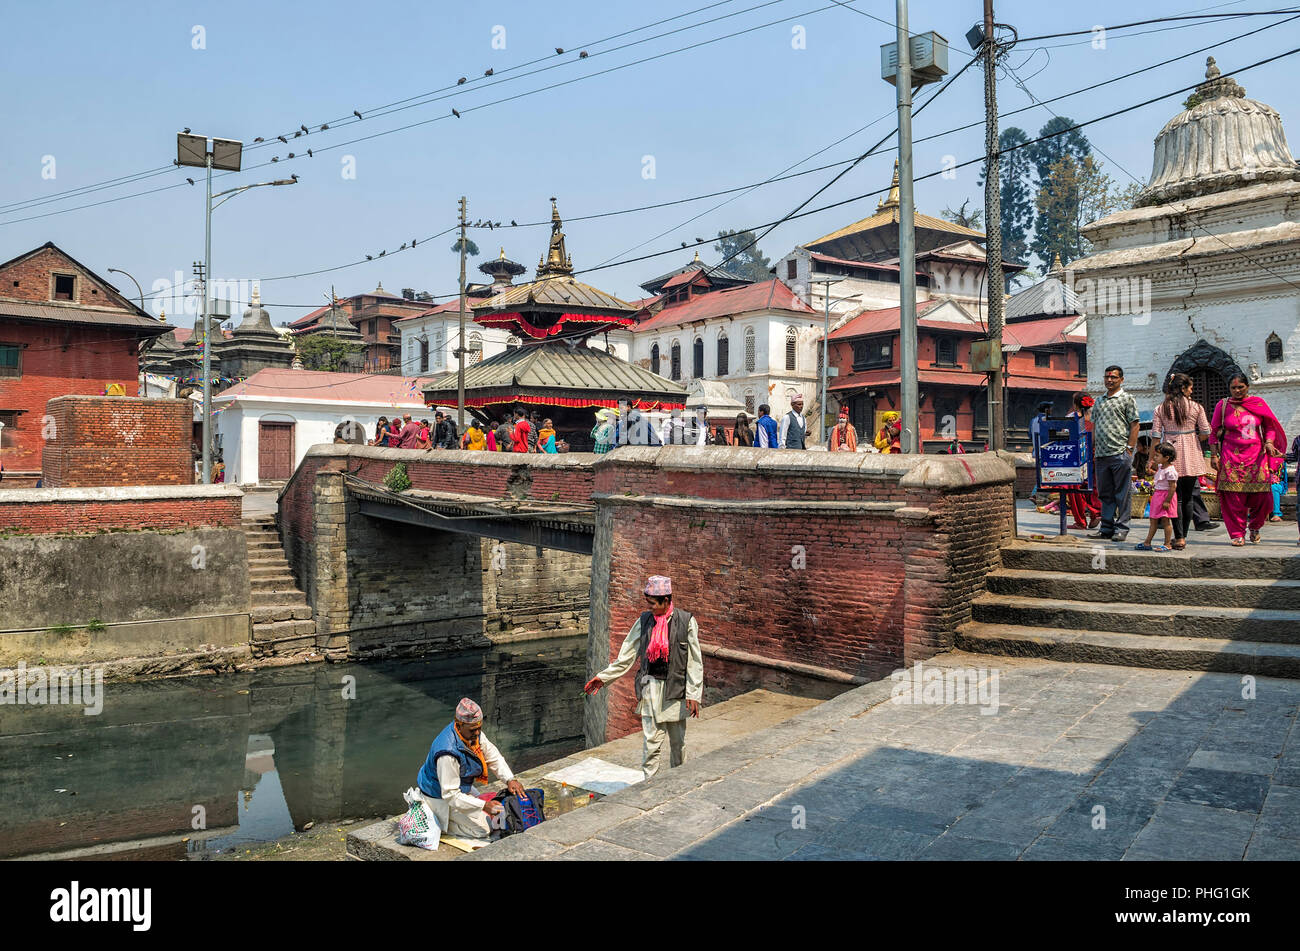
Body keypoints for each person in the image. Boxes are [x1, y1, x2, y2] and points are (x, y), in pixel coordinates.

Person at [584, 575, 703, 780]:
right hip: (650, 688)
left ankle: (679, 782)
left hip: (675, 689)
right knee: (651, 745)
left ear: (666, 601)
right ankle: (650, 786)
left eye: (654, 604)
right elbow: (626, 656)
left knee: (677, 744)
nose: (651, 608)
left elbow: (694, 661)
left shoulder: (686, 621)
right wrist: (603, 678)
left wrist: (694, 694)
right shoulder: (645, 621)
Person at [413, 698, 527, 840]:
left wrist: (510, 779)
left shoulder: (472, 734)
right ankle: (441, 824)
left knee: (490, 810)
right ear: (459, 725)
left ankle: (461, 814)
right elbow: (451, 795)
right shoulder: (447, 753)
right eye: (473, 730)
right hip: (438, 796)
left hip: (460, 785)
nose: (477, 733)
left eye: (479, 728)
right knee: (484, 830)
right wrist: (484, 806)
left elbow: (492, 755)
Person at [1210, 373, 1286, 546]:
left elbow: (1269, 427)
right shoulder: (1223, 405)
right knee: (1233, 498)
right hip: (1231, 457)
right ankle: (1237, 533)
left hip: (1257, 457)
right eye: (1233, 388)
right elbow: (1214, 432)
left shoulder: (1258, 403)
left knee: (1263, 498)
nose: (1237, 390)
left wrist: (1269, 442)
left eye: (1240, 387)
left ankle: (1255, 527)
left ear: (1248, 387)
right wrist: (1214, 455)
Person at [1153, 372, 1211, 549]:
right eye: (1190, 387)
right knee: (1188, 498)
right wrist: (1192, 439)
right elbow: (1206, 432)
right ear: (1183, 388)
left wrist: (1152, 459)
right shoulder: (1196, 407)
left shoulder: (1161, 408)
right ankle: (1182, 537)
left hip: (1170, 450)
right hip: (1191, 452)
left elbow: (1155, 436)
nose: (1192, 391)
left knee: (1175, 498)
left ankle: (1178, 536)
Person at [1088, 365, 1140, 543]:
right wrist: (1091, 448)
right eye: (1107, 377)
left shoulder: (1127, 399)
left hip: (1120, 453)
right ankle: (1106, 527)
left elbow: (1135, 425)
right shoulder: (1099, 401)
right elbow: (1094, 427)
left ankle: (1122, 528)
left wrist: (1129, 449)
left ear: (1121, 380)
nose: (1110, 380)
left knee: (1122, 494)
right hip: (1101, 455)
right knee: (1105, 493)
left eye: (1114, 378)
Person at [1065, 393, 1101, 531]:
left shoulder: (1072, 418)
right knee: (1092, 488)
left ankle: (1080, 520)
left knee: (1073, 488)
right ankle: (1095, 512)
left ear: (1075, 404)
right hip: (1094, 455)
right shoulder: (1095, 418)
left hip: (1077, 457)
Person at [1136, 443, 1178, 552]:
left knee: (1165, 521)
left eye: (1157, 455)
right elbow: (1159, 476)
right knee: (1153, 520)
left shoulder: (1171, 471)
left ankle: (1167, 543)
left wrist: (1167, 501)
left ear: (1166, 458)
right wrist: (1151, 472)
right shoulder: (1161, 467)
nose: (1155, 457)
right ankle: (1147, 542)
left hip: (1165, 496)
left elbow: (1172, 487)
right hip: (1157, 495)